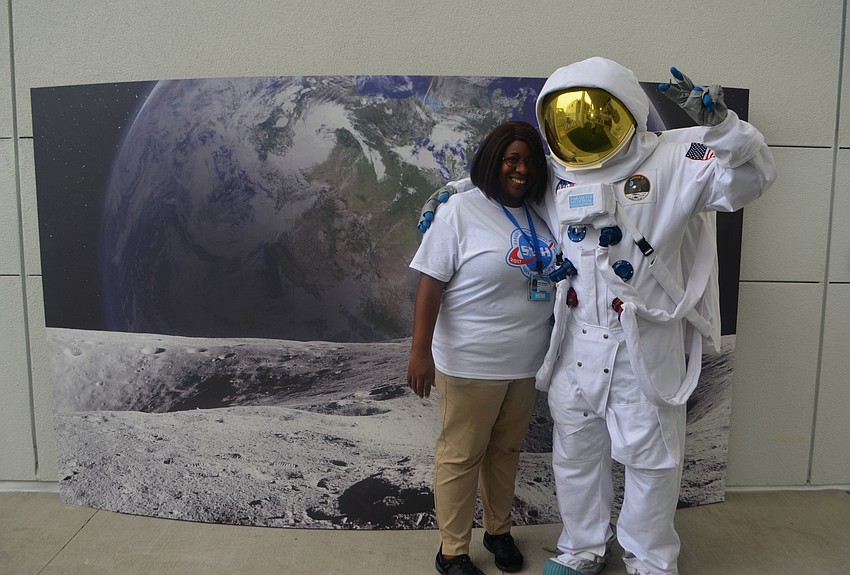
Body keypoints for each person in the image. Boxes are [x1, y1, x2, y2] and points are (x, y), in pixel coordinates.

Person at [418, 58, 776, 575]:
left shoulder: (676, 157)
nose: (584, 127)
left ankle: (650, 559)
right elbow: (503, 184)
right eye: (568, 118)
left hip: (641, 342)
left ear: (629, 111)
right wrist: (451, 193)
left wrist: (725, 129)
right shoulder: (558, 172)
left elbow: (750, 180)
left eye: (598, 114)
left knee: (650, 461)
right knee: (577, 457)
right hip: (574, 345)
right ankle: (582, 547)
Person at [407, 120, 558, 575]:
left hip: (527, 363)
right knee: (460, 456)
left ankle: (498, 532)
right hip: (471, 363)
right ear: (494, 161)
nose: (522, 169)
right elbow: (430, 285)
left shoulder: (541, 210)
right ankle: (451, 551)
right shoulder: (459, 212)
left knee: (505, 452)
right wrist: (420, 353)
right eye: (512, 159)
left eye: (529, 161)